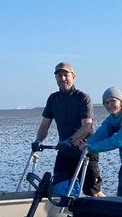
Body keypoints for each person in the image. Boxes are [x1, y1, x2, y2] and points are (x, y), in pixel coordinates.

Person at [34, 62, 104, 196]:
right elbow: (44, 125)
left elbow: (87, 126)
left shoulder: (83, 98)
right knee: (60, 188)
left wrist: (69, 141)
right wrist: (38, 140)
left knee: (92, 191)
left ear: (73, 76)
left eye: (65, 75)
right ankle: (63, 214)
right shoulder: (53, 99)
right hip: (65, 152)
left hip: (85, 150)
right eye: (59, 76)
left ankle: (108, 212)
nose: (62, 78)